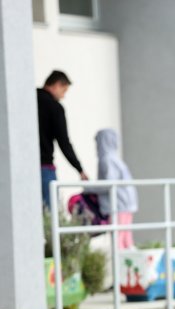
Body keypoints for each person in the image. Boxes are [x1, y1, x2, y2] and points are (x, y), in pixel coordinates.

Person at [37, 70, 88, 209]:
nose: (63, 96)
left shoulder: (28, 99)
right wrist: (79, 169)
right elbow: (64, 142)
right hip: (44, 166)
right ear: (57, 85)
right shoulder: (54, 107)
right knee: (50, 212)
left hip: (21, 166)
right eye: (64, 91)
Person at [94, 128, 139, 249]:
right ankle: (131, 265)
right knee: (126, 239)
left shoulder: (107, 160)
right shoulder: (115, 158)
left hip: (118, 205)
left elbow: (109, 184)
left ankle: (122, 266)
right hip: (126, 203)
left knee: (119, 239)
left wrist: (90, 188)